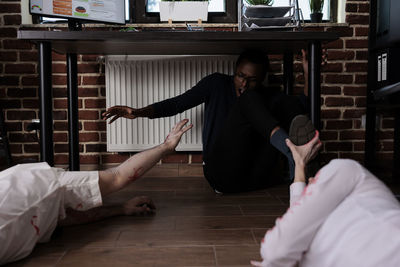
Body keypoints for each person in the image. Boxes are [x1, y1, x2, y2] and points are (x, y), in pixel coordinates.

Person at [103, 50, 314, 193]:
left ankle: (296, 163)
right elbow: (177, 104)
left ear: (262, 79)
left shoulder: (264, 95)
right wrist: (138, 112)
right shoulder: (217, 84)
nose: (243, 83)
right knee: (250, 99)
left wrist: (308, 72)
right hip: (221, 173)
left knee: (279, 103)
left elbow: (301, 112)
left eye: (252, 80)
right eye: (241, 76)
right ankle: (295, 157)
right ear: (235, 71)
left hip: (254, 178)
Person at [0, 119, 193, 265]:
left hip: (34, 183)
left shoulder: (46, 190)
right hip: (24, 187)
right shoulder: (43, 208)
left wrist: (166, 147)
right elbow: (61, 218)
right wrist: (121, 208)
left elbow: (118, 176)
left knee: (114, 178)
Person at [251, 119, 400, 267]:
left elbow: (277, 248)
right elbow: (297, 217)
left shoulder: (348, 171)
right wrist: (300, 165)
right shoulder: (352, 174)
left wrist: (300, 167)